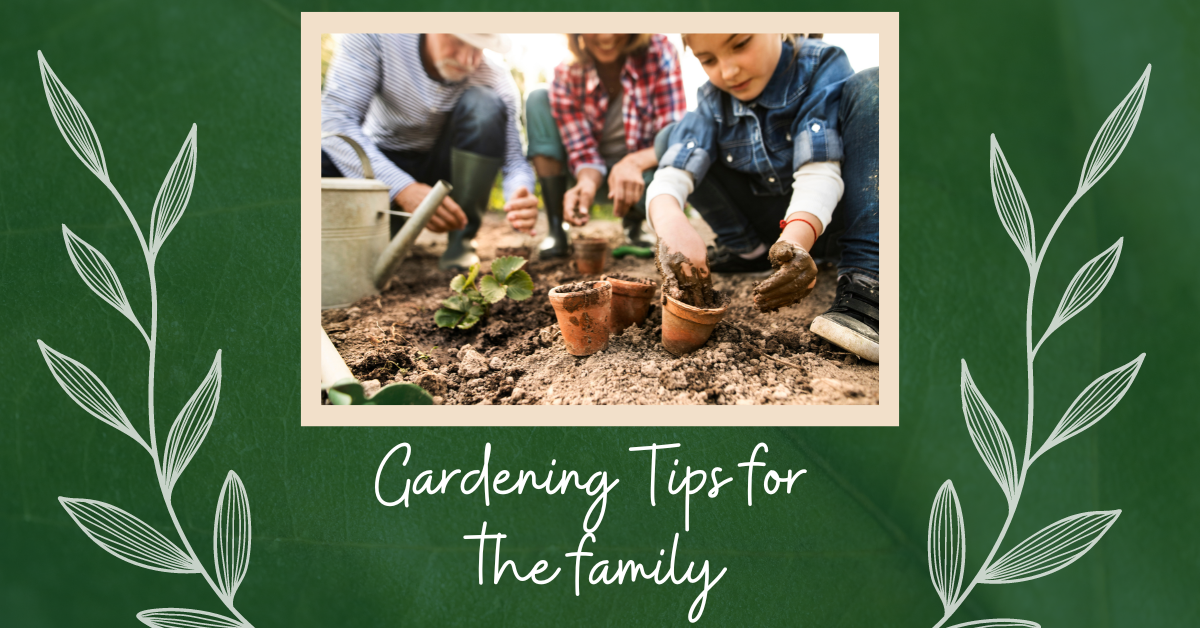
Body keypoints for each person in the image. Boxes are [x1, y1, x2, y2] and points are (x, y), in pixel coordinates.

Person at [644, 34, 880, 362]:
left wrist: (796, 240)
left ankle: (869, 280)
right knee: (672, 138)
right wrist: (672, 226)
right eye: (708, 59)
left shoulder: (821, 66)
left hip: (836, 222)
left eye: (740, 44)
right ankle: (751, 252)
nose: (727, 71)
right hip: (776, 234)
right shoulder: (713, 99)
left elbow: (819, 172)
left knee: (875, 85)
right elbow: (671, 174)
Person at [321, 33, 539, 271]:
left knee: (485, 104)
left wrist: (520, 192)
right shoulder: (375, 35)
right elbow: (334, 120)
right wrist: (402, 188)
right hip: (381, 162)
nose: (467, 59)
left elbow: (514, 162)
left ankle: (461, 240)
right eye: (458, 40)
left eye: (479, 48)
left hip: (445, 170)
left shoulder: (494, 77)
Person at [506, 34, 686, 258]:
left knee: (677, 166)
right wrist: (587, 181)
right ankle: (556, 226)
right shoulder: (566, 73)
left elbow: (673, 136)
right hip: (590, 176)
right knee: (538, 98)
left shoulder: (659, 51)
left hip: (642, 176)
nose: (606, 35)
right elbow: (582, 151)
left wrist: (633, 163)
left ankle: (635, 221)